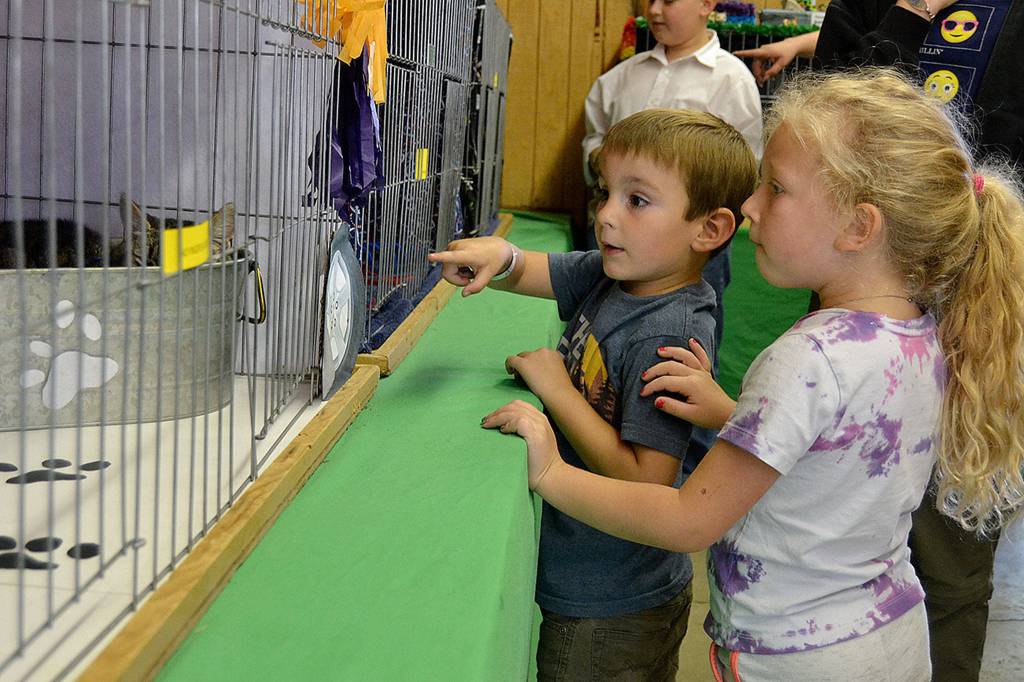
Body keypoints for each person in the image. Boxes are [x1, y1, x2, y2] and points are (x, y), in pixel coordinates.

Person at [483, 69, 1024, 681]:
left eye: (776, 188)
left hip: (795, 658)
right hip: (887, 635)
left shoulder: (806, 360)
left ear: (858, 226)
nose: (749, 206)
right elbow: (838, 445)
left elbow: (689, 519)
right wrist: (730, 413)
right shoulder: (922, 334)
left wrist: (550, 470)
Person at [739, 4, 1023, 678]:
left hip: (977, 309)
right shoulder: (867, 7)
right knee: (843, 502)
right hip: (861, 297)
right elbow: (827, 130)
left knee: (952, 561)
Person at [430, 109, 758, 681]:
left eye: (637, 201)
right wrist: (499, 259)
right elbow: (540, 270)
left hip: (613, 602)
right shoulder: (623, 276)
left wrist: (557, 389)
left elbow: (646, 479)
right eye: (607, 193)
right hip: (595, 584)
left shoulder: (667, 331)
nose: (605, 215)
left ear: (708, 229)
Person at [582, 0, 764, 474]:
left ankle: (686, 465)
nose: (656, 10)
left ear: (708, 4)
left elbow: (743, 164)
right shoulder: (624, 75)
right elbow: (594, 135)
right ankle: (621, 434)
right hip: (631, 247)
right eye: (650, 0)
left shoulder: (729, 78)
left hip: (691, 253)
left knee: (687, 362)